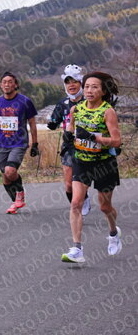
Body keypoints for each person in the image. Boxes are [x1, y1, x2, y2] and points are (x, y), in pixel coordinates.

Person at [62, 71, 123, 263]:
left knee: (105, 206)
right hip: (81, 162)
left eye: (94, 87)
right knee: (75, 203)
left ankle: (113, 233)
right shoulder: (76, 109)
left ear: (103, 91)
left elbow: (116, 141)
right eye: (87, 86)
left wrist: (93, 138)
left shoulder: (107, 111)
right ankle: (77, 249)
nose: (89, 90)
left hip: (104, 163)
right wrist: (68, 136)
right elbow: (71, 128)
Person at [0, 72, 39, 213]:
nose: (7, 84)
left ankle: (20, 194)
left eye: (10, 82)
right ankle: (15, 202)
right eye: (4, 82)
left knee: (10, 171)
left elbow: (32, 123)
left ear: (15, 84)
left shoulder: (25, 101)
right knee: (6, 177)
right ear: (1, 85)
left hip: (19, 143)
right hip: (2, 144)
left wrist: (35, 144)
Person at [46, 65, 91, 216]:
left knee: (82, 180)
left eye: (74, 82)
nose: (71, 85)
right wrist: (52, 123)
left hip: (88, 145)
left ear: (81, 83)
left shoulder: (89, 101)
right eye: (67, 82)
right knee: (69, 185)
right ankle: (78, 204)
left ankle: (81, 201)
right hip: (69, 146)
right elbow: (55, 120)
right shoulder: (62, 103)